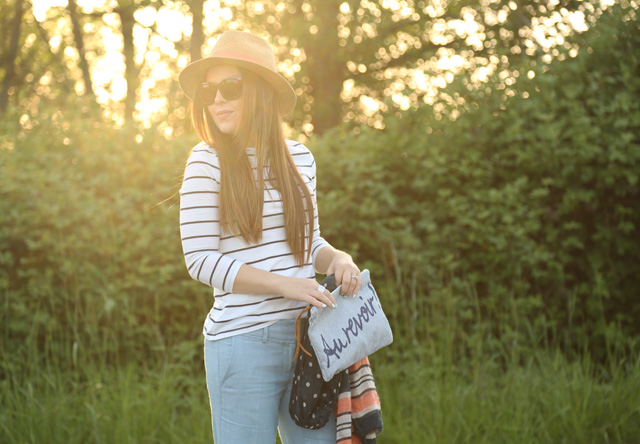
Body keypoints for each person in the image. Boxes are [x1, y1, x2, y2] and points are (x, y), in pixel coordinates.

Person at [178, 30, 362, 444]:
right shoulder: (206, 161)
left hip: (309, 341)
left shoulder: (300, 158)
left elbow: (308, 244)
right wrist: (286, 285)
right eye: (208, 91)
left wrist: (339, 259)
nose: (217, 100)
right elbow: (201, 260)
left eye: (230, 87)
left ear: (261, 92)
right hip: (241, 345)